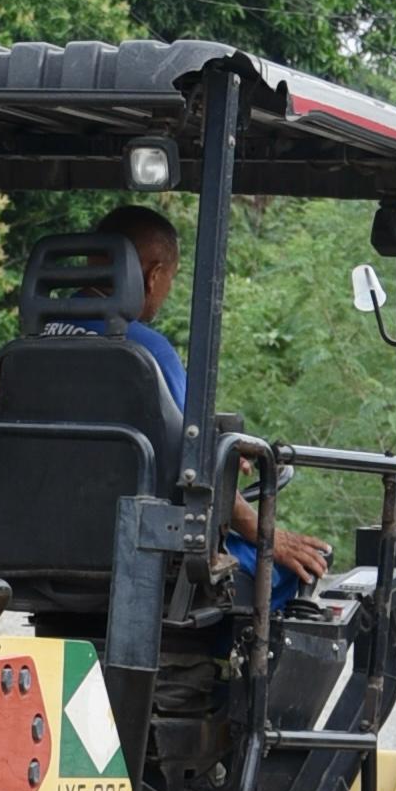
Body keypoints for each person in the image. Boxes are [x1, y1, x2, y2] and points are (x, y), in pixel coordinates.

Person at [61, 205, 328, 599]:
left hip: (40, 549)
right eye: (170, 279)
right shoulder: (144, 354)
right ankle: (220, 662)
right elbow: (196, 460)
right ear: (153, 277)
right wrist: (265, 533)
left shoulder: (22, 351)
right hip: (142, 555)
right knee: (295, 570)